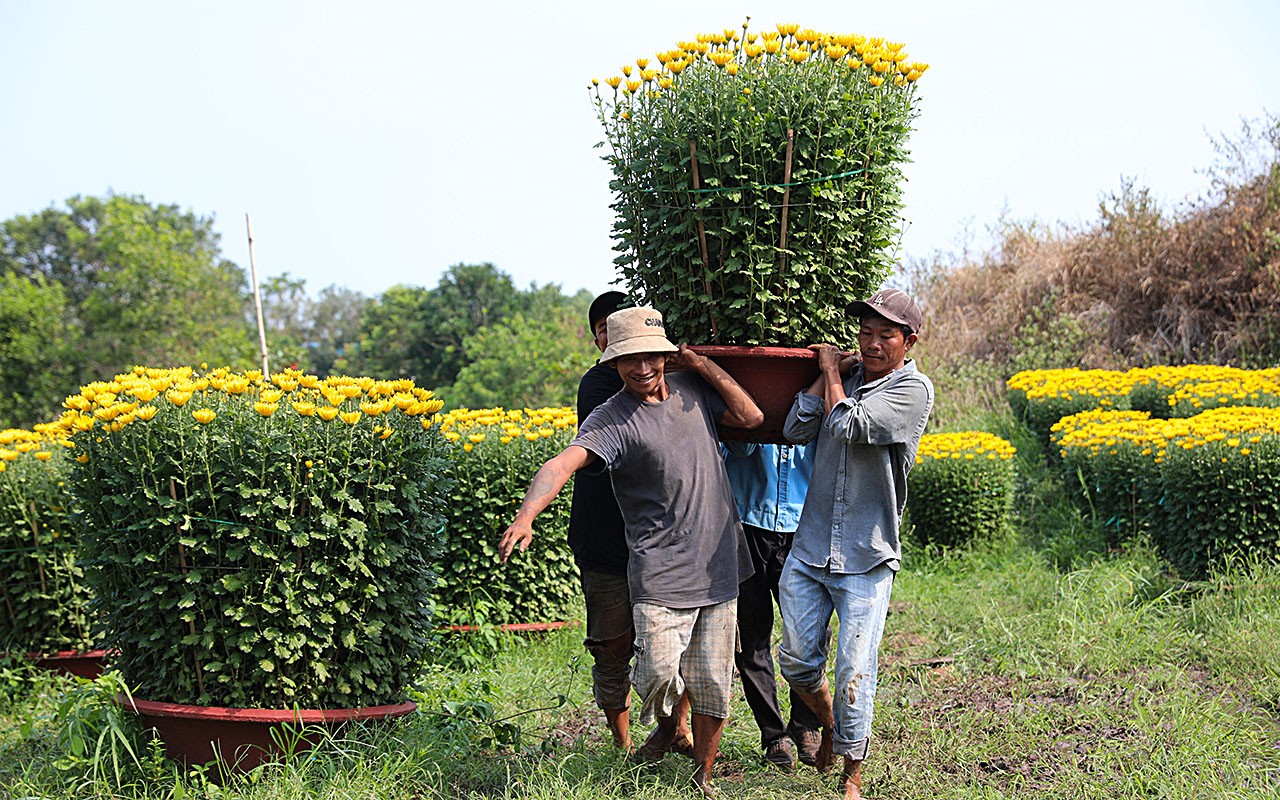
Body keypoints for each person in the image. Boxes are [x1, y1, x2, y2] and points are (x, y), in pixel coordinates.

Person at [498, 306, 763, 797]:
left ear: (666, 355)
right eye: (629, 361)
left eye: (651, 358)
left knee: (712, 683)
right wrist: (526, 514)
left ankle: (703, 776)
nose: (643, 369)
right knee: (657, 673)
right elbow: (561, 465)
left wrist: (702, 365)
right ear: (613, 364)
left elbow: (751, 416)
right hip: (659, 571)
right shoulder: (613, 418)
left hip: (719, 562)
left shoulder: (694, 390)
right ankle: (665, 728)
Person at [778, 288, 934, 800]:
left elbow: (847, 426)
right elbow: (796, 427)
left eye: (884, 335)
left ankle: (852, 773)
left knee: (854, 671)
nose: (871, 343)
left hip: (867, 555)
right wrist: (827, 376)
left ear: (908, 341)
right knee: (797, 662)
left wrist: (830, 372)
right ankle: (830, 725)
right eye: (864, 333)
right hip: (811, 547)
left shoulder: (913, 391)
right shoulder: (845, 381)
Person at [568, 291, 691, 753]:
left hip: (661, 541)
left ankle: (672, 729)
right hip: (606, 538)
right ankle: (620, 743)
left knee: (675, 644)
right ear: (599, 337)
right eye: (605, 328)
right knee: (612, 644)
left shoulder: (667, 380)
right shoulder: (600, 387)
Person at [723, 441, 824, 770]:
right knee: (751, 638)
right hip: (745, 520)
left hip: (805, 525)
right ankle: (773, 736)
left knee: (810, 635)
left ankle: (806, 723)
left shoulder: (829, 389)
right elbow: (736, 446)